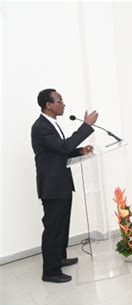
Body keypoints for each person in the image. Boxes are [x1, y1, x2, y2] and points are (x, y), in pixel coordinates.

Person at [31, 89, 98, 283]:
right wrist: (86, 126)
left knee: (62, 225)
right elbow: (62, 147)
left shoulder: (52, 124)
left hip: (61, 183)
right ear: (48, 105)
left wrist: (79, 151)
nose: (63, 104)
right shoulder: (41, 127)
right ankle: (50, 271)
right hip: (52, 186)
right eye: (59, 101)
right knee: (53, 228)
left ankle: (59, 258)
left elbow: (60, 152)